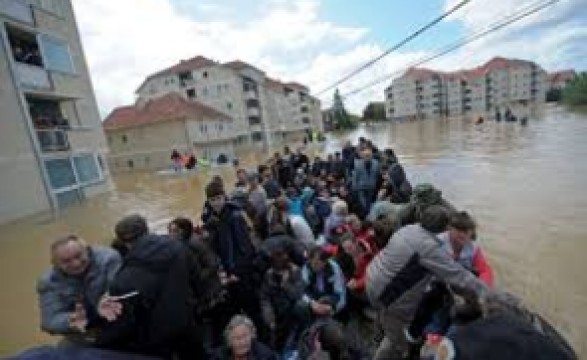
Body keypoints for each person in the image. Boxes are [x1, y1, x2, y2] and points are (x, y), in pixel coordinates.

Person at [366, 206, 488, 360]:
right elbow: (460, 276)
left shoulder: (409, 229)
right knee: (396, 342)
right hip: (387, 296)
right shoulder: (429, 247)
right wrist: (493, 296)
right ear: (445, 227)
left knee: (384, 316)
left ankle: (378, 335)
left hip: (372, 277)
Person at [95, 215, 204, 359]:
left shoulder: (123, 278)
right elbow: (197, 279)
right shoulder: (178, 246)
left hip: (156, 339)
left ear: (124, 242)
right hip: (187, 323)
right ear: (147, 230)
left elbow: (124, 322)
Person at [203, 180, 265, 340]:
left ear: (224, 196)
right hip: (229, 274)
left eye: (218, 198)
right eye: (212, 200)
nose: (216, 202)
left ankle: (264, 340)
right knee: (235, 309)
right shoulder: (214, 219)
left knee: (252, 309)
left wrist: (237, 273)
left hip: (241, 274)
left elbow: (245, 249)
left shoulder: (235, 217)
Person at [36, 235, 121, 345]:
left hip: (115, 313)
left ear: (87, 250)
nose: (76, 263)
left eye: (78, 256)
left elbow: (120, 288)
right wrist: (69, 320)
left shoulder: (109, 258)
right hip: (83, 327)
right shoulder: (48, 282)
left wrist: (109, 297)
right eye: (66, 261)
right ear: (56, 264)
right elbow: (49, 321)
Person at [259, 247, 305, 354]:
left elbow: (298, 295)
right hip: (276, 313)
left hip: (293, 312)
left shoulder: (295, 271)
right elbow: (265, 298)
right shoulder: (269, 275)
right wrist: (269, 318)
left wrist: (286, 285)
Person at [298, 247, 347, 322]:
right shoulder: (307, 268)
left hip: (330, 300)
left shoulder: (334, 268)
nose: (313, 266)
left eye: (317, 264)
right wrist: (312, 303)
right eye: (311, 263)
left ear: (324, 262)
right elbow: (302, 291)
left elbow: (341, 295)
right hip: (314, 300)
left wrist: (333, 309)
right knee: (301, 306)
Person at [212, 315, 278, 360]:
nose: (242, 342)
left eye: (245, 336)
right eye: (237, 338)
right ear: (230, 340)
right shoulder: (218, 356)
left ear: (252, 336)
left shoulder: (265, 356)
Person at [351, 148, 380, 216]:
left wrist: (376, 184)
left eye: (369, 155)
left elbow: (377, 174)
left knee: (369, 202)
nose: (368, 157)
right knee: (363, 203)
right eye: (366, 156)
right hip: (361, 188)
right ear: (363, 156)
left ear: (371, 156)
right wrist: (354, 187)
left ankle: (369, 214)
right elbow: (355, 177)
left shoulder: (376, 163)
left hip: (371, 187)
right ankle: (366, 214)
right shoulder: (358, 164)